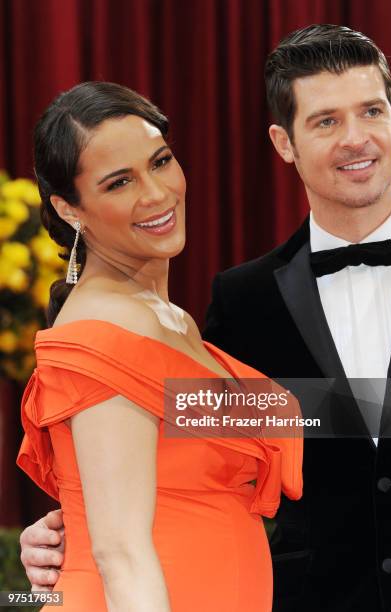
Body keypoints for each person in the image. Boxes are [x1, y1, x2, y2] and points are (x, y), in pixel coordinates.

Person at [19, 22, 391, 611]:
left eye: (372, 111)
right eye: (326, 121)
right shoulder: (242, 299)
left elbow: (321, 415)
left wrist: (86, 512)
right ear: (284, 143)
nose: (356, 139)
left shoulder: (176, 323)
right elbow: (138, 460)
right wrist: (77, 521)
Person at [16, 82, 303, 611]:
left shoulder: (173, 321)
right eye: (119, 182)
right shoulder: (100, 331)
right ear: (69, 208)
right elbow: (120, 553)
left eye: (161, 161)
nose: (156, 193)